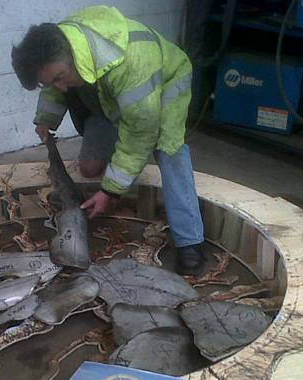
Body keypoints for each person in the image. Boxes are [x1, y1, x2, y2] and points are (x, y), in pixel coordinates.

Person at [11, 5, 206, 275]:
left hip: (164, 83)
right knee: (90, 167)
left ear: (71, 57)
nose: (60, 86)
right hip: (110, 94)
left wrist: (111, 190)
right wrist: (46, 118)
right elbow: (56, 86)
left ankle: (191, 241)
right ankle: (120, 164)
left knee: (168, 150)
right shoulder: (60, 44)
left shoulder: (132, 64)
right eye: (51, 82)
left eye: (59, 78)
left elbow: (141, 132)